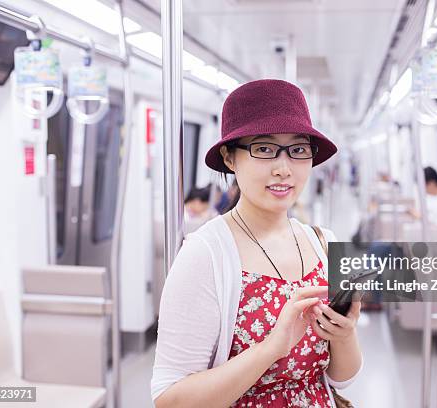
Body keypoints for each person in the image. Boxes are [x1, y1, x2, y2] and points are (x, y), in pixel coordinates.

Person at [151, 79, 363, 407]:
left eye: (298, 150)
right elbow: (169, 400)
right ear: (230, 158)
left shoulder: (324, 243)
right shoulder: (206, 254)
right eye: (263, 149)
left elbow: (341, 378)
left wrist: (345, 334)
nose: (283, 168)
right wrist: (269, 350)